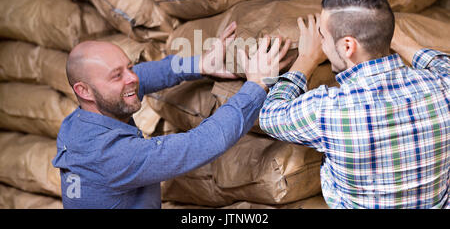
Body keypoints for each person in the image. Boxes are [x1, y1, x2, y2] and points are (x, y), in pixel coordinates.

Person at [52, 22, 291, 208]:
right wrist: (257, 85)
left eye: (129, 67)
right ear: (83, 91)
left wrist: (198, 64)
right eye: (117, 75)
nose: (131, 78)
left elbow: (142, 77)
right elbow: (199, 144)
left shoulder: (79, 122)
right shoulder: (112, 156)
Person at [258, 0, 449, 209]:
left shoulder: (329, 110)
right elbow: (444, 66)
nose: (323, 45)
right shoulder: (442, 87)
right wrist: (397, 40)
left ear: (348, 46)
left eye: (323, 36)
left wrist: (306, 60)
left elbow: (270, 116)